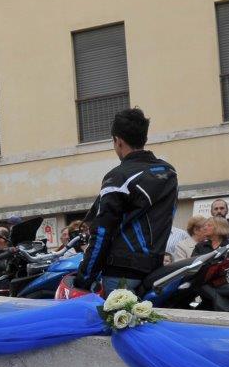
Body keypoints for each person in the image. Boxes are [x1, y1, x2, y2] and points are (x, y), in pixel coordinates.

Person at [74, 107, 179, 293]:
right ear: (144, 137)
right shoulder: (168, 172)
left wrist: (84, 277)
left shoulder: (118, 177)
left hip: (121, 270)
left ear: (118, 140)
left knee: (109, 313)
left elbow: (102, 233)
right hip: (155, 269)